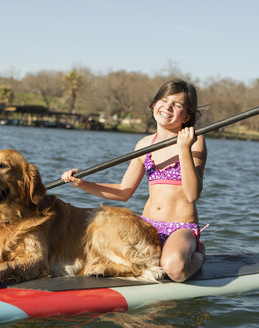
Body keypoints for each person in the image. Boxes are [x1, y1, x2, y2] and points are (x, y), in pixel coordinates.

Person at [61, 79, 207, 282]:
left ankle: (198, 255)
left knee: (174, 270)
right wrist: (83, 184)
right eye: (163, 101)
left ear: (187, 116)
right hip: (146, 226)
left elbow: (192, 194)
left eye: (177, 105)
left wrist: (184, 149)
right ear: (154, 105)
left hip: (180, 228)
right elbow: (123, 191)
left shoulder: (194, 141)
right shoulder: (144, 144)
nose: (168, 107)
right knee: (104, 254)